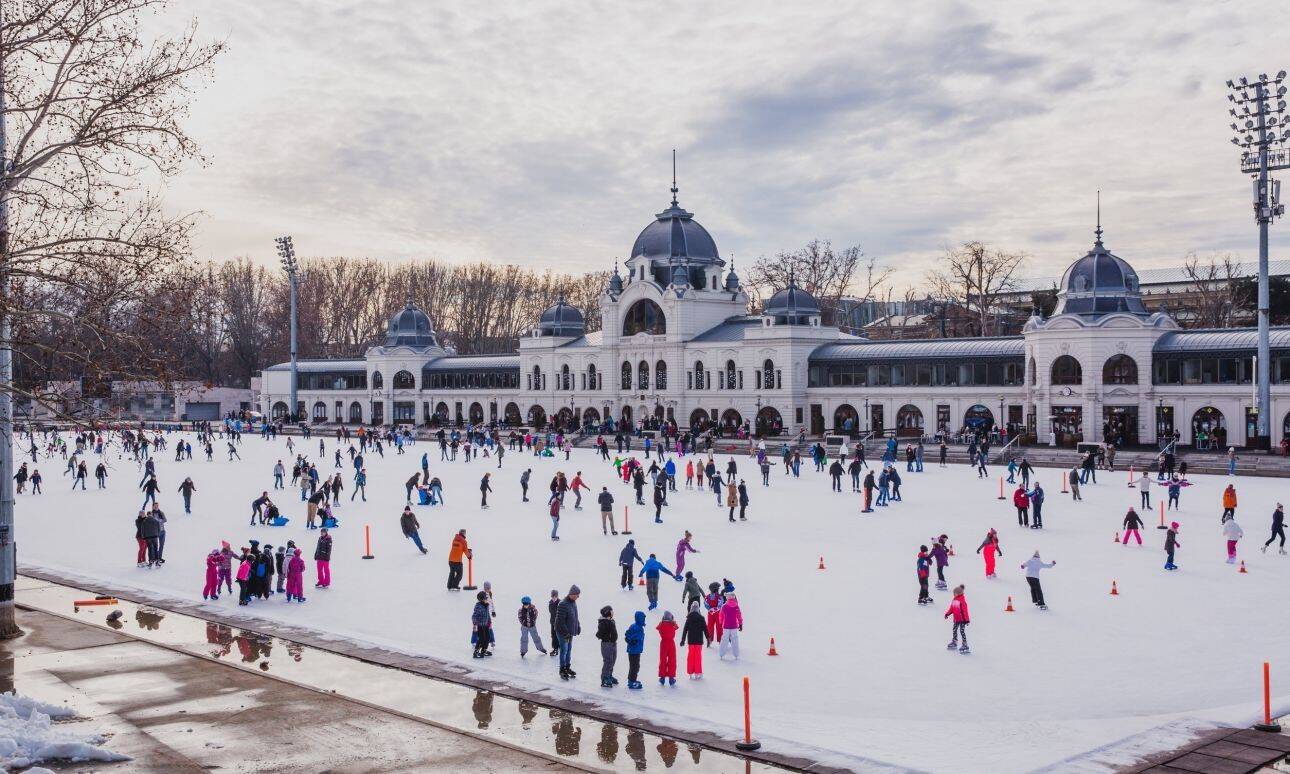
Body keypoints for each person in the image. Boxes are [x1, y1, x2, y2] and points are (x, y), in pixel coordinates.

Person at [554, 585, 582, 680]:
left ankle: (567, 667)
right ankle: (562, 669)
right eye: (577, 595)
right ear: (572, 594)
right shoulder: (563, 604)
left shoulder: (573, 603)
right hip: (562, 632)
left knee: (569, 650)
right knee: (564, 650)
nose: (578, 597)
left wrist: (577, 626)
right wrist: (566, 633)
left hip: (570, 632)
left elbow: (575, 616)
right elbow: (560, 621)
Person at [682, 601, 706, 679]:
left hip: (691, 641)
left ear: (691, 608)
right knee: (698, 657)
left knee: (690, 656)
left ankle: (690, 673)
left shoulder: (689, 618)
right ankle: (698, 672)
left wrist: (683, 640)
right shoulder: (701, 618)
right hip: (699, 641)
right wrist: (708, 638)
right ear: (698, 609)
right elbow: (705, 628)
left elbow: (685, 629)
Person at [944, 584, 970, 654]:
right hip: (956, 619)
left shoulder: (962, 601)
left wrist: (967, 620)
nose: (953, 594)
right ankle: (954, 641)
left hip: (962, 620)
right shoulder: (954, 600)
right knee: (954, 630)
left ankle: (965, 644)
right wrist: (947, 614)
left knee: (962, 631)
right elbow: (951, 608)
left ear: (958, 593)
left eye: (954, 593)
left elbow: (965, 611)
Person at [596, 606, 618, 688]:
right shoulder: (603, 622)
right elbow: (599, 634)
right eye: (611, 611)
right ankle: (604, 678)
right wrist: (600, 635)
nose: (613, 612)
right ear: (607, 612)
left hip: (613, 643)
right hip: (606, 644)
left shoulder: (611, 621)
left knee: (613, 660)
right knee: (608, 661)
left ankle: (609, 675)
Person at [717, 590, 742, 660]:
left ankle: (721, 653)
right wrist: (740, 624)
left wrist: (721, 622)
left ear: (727, 598)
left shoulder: (724, 606)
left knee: (724, 639)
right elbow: (739, 615)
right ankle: (736, 654)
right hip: (734, 626)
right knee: (735, 639)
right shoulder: (736, 606)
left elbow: (721, 615)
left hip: (726, 626)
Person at [656, 610, 679, 686]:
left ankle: (662, 678)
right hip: (671, 643)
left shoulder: (661, 624)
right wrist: (672, 620)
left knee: (663, 660)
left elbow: (658, 628)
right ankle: (671, 678)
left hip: (663, 643)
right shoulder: (673, 624)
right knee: (672, 660)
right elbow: (676, 626)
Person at [624, 611, 646, 689]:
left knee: (634, 666)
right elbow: (627, 635)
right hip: (634, 650)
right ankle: (632, 682)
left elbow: (627, 634)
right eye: (643, 618)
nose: (644, 620)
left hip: (634, 650)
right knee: (634, 666)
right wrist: (631, 641)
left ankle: (631, 680)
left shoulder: (635, 626)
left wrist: (629, 640)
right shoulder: (637, 627)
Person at [471, 591, 493, 658]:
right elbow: (474, 616)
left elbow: (487, 614)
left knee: (488, 637)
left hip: (486, 625)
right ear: (482, 600)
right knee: (481, 639)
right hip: (480, 626)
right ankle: (476, 652)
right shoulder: (478, 607)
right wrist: (475, 624)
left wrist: (489, 621)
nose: (487, 600)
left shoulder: (486, 605)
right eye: (486, 599)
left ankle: (484, 650)